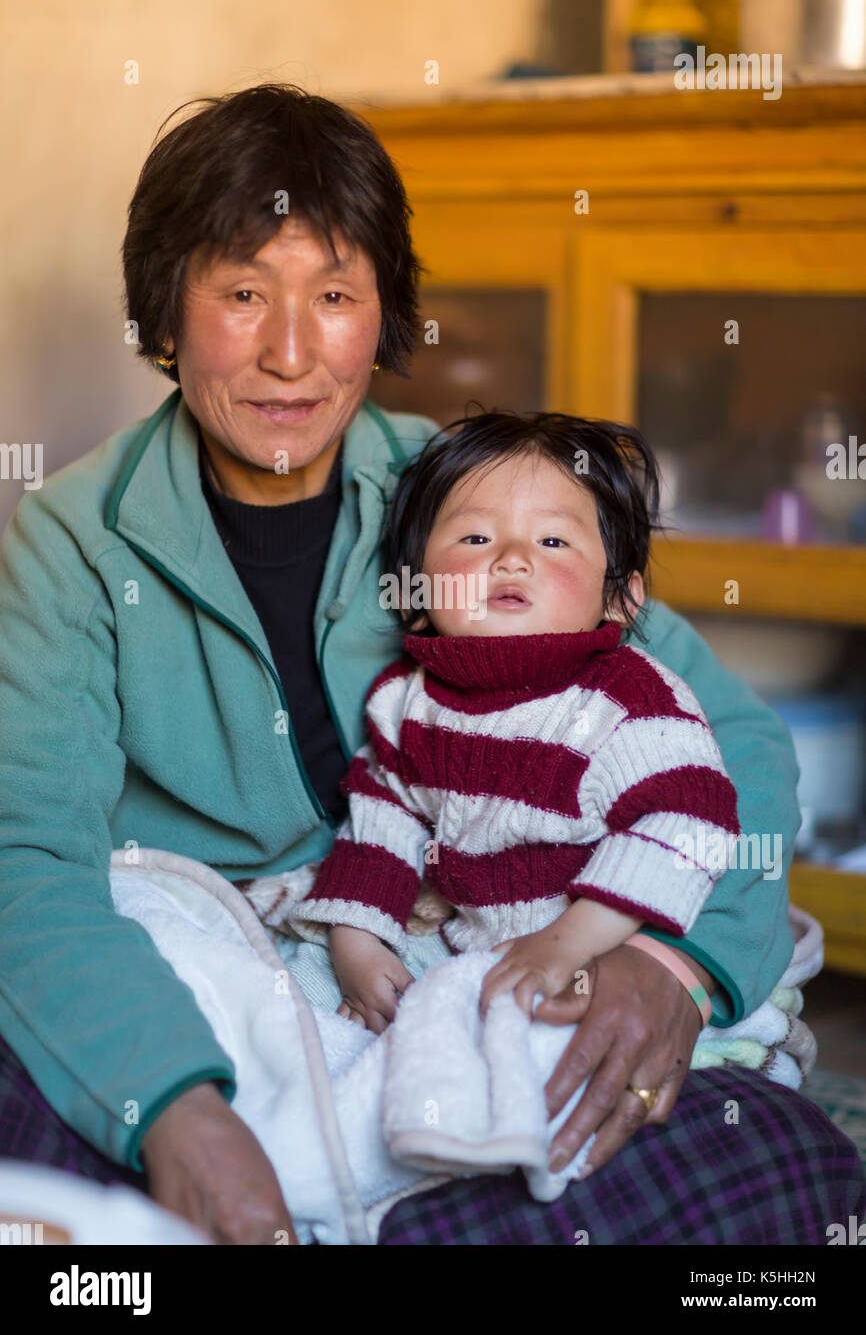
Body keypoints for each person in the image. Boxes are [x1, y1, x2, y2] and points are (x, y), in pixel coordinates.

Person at [0, 83, 861, 1245]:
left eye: (336, 296)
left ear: (383, 313)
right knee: (45, 1075)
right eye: (243, 293)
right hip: (228, 988)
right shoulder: (70, 541)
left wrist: (673, 966)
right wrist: (176, 1113)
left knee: (768, 1154)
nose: (291, 352)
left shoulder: (476, 496)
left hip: (465, 969)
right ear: (165, 308)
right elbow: (33, 860)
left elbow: (733, 744)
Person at [291, 411, 739, 1039]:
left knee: (545, 1061)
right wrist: (357, 945)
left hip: (607, 952)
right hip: (464, 945)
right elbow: (381, 827)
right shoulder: (404, 702)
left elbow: (689, 824)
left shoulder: (629, 703)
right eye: (475, 539)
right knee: (304, 1004)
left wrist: (566, 945)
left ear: (618, 598)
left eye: (552, 542)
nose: (511, 560)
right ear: (416, 591)